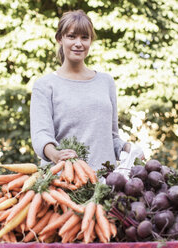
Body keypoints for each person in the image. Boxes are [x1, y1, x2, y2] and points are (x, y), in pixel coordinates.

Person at [30, 9, 132, 171]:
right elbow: (41, 135)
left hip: (105, 183)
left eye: (84, 37)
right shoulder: (45, 85)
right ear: (59, 39)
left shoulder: (106, 82)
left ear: (90, 41)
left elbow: (112, 138)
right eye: (71, 36)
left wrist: (128, 148)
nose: (79, 43)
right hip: (63, 181)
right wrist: (55, 154)